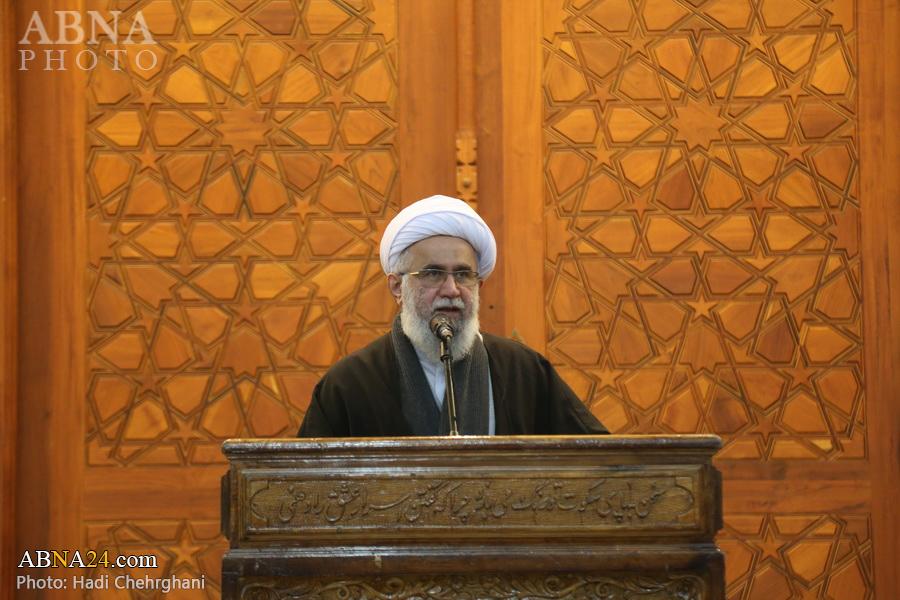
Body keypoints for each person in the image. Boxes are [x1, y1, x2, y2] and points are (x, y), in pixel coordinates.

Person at [297, 195, 608, 437]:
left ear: (478, 286)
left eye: (463, 275)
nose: (451, 289)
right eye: (432, 274)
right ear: (397, 286)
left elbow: (599, 463)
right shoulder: (349, 383)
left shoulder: (523, 371)